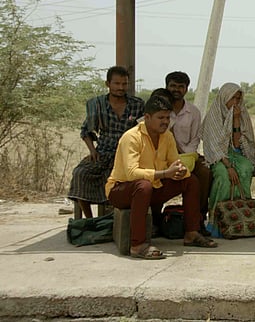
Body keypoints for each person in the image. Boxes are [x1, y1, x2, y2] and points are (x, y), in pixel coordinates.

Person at [106, 93, 217, 259]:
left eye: (167, 117)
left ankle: (191, 233)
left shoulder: (167, 136)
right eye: (160, 117)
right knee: (143, 185)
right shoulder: (131, 137)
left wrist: (180, 172)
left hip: (154, 187)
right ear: (147, 117)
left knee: (191, 181)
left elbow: (175, 162)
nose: (165, 122)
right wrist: (165, 173)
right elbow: (131, 173)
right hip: (121, 190)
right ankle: (137, 245)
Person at [68, 66, 145, 218]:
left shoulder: (137, 105)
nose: (121, 88)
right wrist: (92, 151)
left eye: (124, 84)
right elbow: (85, 131)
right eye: (117, 84)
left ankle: (113, 220)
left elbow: (144, 130)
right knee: (80, 174)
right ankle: (90, 220)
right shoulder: (98, 104)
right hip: (103, 151)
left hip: (128, 154)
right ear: (108, 84)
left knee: (120, 181)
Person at [156, 71, 211, 235]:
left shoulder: (193, 112)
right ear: (167, 87)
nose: (176, 90)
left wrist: (183, 153)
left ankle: (198, 218)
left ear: (186, 89)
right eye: (173, 86)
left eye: (181, 86)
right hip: (163, 157)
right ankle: (156, 220)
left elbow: (195, 139)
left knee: (205, 173)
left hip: (187, 156)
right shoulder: (159, 111)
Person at [202, 83, 255, 235]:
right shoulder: (214, 115)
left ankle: (242, 218)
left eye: (238, 99)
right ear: (224, 97)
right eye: (233, 98)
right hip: (217, 158)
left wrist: (237, 120)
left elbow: (238, 145)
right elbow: (213, 147)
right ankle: (218, 222)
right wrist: (228, 166)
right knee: (224, 176)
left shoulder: (242, 114)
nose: (236, 102)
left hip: (235, 154)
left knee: (245, 169)